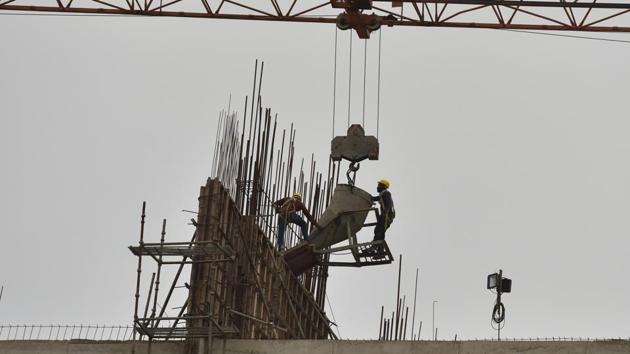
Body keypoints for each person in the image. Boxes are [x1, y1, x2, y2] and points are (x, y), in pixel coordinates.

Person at [371, 179, 395, 254]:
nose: (377, 187)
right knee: (380, 231)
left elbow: (389, 204)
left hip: (387, 216)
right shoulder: (382, 194)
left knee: (378, 230)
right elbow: (374, 198)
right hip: (387, 216)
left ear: (384, 186)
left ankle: (374, 246)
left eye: (379, 185)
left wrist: (385, 213)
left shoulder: (386, 193)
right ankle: (380, 250)